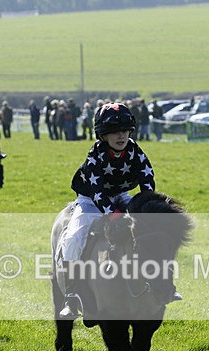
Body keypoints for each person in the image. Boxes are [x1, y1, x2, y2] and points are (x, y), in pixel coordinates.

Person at [56, 102, 156, 319]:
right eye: (114, 132)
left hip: (121, 196)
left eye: (125, 131)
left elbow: (147, 179)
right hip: (90, 200)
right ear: (103, 135)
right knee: (74, 238)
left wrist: (146, 209)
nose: (121, 136)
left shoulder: (135, 150)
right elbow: (97, 191)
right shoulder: (96, 155)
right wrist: (114, 214)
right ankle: (72, 295)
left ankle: (161, 285)